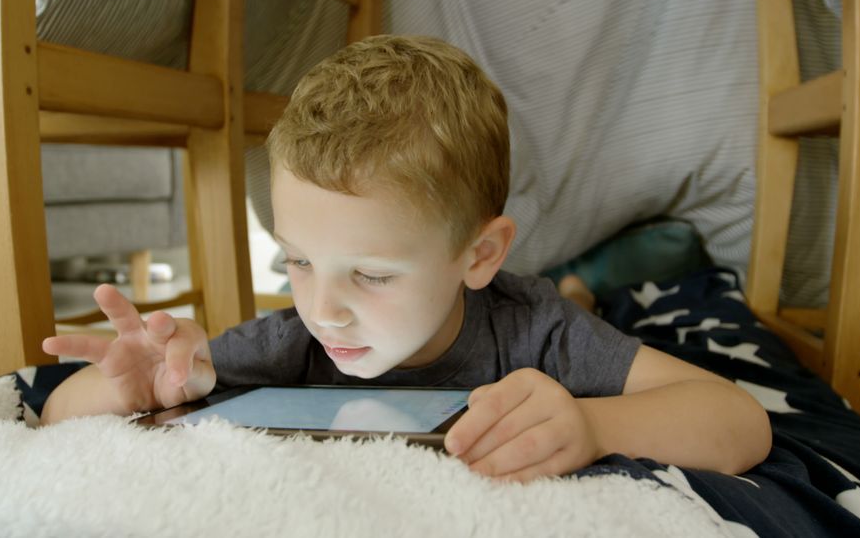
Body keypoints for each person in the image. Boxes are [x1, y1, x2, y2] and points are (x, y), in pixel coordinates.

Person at [41, 35, 771, 481]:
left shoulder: (537, 331)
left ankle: (580, 284)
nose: (322, 309)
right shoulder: (292, 339)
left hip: (549, 305)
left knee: (574, 300)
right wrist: (131, 391)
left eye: (372, 274)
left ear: (479, 255)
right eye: (296, 262)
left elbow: (739, 418)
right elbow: (56, 421)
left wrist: (595, 426)